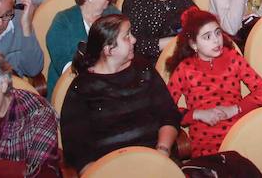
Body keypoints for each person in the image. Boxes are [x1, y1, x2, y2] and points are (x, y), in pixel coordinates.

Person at [59, 14, 182, 168]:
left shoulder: (143, 69)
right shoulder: (83, 88)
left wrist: (162, 150)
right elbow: (78, 150)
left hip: (156, 160)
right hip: (111, 168)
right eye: (127, 37)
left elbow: (169, 114)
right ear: (109, 50)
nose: (134, 40)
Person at [165, 7, 262, 156]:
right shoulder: (185, 69)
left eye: (217, 33)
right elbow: (166, 109)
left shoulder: (233, 58)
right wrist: (197, 114)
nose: (216, 40)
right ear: (194, 44)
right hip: (205, 140)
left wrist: (236, 108)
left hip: (239, 131)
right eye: (207, 37)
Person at [44, 0, 113, 92]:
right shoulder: (63, 21)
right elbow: (67, 68)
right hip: (72, 91)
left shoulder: (113, 14)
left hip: (109, 86)